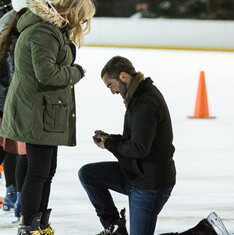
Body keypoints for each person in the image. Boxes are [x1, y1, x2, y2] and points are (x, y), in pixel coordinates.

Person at [0, 0, 95, 234]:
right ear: (72, 10)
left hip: (45, 111)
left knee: (46, 171)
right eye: (83, 17)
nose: (83, 23)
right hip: (36, 112)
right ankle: (29, 225)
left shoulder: (52, 30)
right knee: (38, 171)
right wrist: (77, 72)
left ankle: (40, 223)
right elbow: (47, 73)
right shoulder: (43, 31)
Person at [79, 56, 176, 235]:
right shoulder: (137, 96)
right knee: (87, 174)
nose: (112, 91)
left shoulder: (145, 102)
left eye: (110, 85)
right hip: (136, 174)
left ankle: (204, 231)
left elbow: (139, 148)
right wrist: (111, 139)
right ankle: (114, 226)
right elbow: (136, 140)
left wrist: (109, 144)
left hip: (150, 184)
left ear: (123, 76)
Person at [0, 3, 27, 218]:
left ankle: (12, 192)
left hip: (5, 107)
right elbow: (14, 80)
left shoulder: (6, 41)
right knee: (13, 150)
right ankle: (14, 192)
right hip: (7, 107)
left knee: (10, 150)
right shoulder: (16, 45)